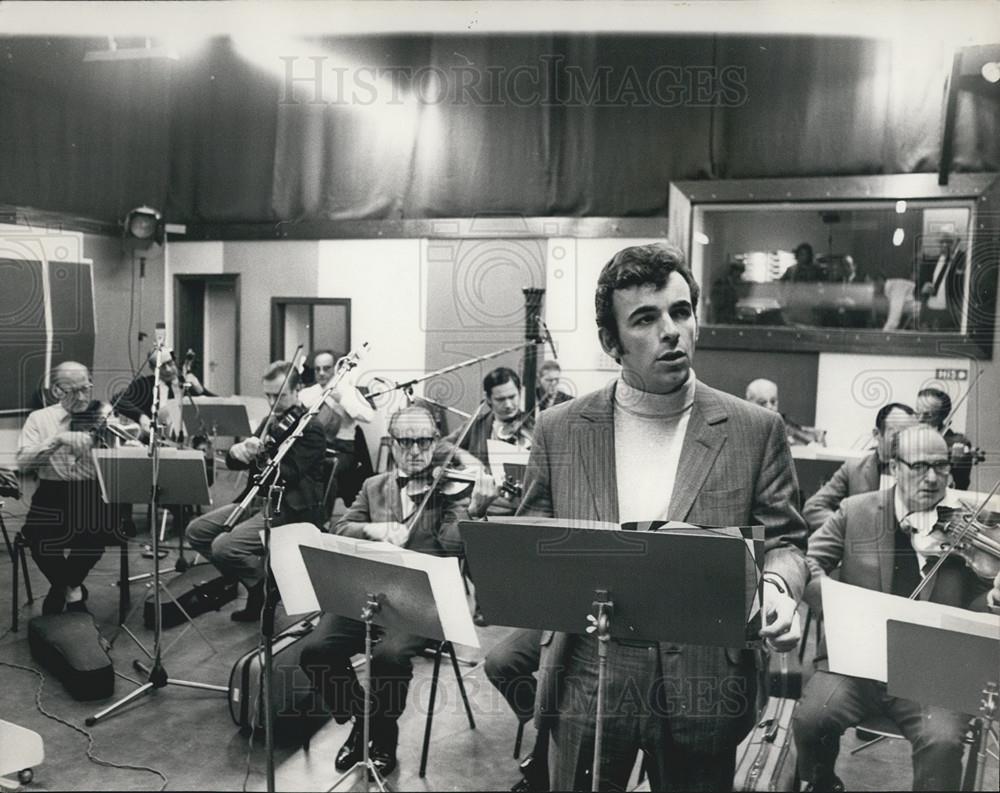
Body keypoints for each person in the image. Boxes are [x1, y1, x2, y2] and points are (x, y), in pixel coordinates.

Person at [518, 242, 808, 791]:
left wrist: (775, 585)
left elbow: (790, 542)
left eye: (680, 311)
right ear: (612, 342)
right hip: (589, 673)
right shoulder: (559, 429)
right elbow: (534, 541)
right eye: (645, 319)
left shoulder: (753, 429)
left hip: (705, 674)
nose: (671, 330)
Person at [793, 425, 992, 792]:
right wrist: (837, 602)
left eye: (942, 466)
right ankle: (823, 784)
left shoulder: (967, 527)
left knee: (943, 740)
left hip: (933, 673)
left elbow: (979, 600)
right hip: (855, 665)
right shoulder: (856, 512)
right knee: (812, 719)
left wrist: (991, 600)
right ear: (895, 467)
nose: (932, 478)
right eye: (919, 467)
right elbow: (808, 564)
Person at [298, 405, 493, 778]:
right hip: (368, 591)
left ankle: (383, 737)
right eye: (407, 442)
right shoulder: (374, 487)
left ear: (436, 442)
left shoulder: (450, 493)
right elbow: (340, 528)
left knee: (388, 656)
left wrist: (476, 512)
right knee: (315, 651)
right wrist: (374, 529)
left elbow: (454, 548)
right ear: (393, 444)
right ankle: (365, 719)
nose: (416, 451)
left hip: (423, 601)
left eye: (425, 441)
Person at [185, 361, 326, 621]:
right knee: (197, 532)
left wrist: (260, 456)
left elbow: (289, 474)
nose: (273, 402)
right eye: (268, 395)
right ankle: (258, 581)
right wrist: (236, 453)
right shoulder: (270, 420)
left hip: (287, 507)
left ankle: (261, 587)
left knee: (223, 548)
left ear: (298, 391)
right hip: (255, 501)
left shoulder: (311, 428)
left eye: (280, 396)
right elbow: (237, 461)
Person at [16, 362, 127, 614]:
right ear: (56, 391)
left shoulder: (103, 412)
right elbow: (23, 463)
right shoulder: (39, 419)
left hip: (89, 492)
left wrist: (117, 439)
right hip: (50, 493)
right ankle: (72, 589)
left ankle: (63, 587)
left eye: (86, 388)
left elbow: (120, 458)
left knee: (95, 536)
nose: (81, 397)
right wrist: (56, 440)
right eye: (73, 391)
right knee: (39, 541)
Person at [802, 402, 917, 533]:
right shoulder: (853, 470)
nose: (906, 443)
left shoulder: (923, 472)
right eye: (897, 437)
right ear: (876, 434)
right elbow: (814, 507)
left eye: (911, 437)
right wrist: (848, 528)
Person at [298, 349, 375, 509]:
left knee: (326, 470)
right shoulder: (308, 393)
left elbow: (369, 416)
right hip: (315, 447)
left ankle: (322, 516)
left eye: (326, 368)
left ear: (335, 368)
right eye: (317, 369)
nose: (321, 373)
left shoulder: (347, 390)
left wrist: (341, 399)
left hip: (342, 449)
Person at [113, 348, 210, 434]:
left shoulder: (187, 384)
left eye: (170, 363)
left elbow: (220, 406)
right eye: (162, 366)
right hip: (153, 441)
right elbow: (118, 400)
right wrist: (141, 416)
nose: (168, 369)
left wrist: (200, 389)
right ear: (153, 369)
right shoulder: (144, 384)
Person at [915, 387, 975, 490]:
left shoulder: (957, 442)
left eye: (928, 415)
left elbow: (961, 485)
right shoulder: (907, 436)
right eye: (917, 413)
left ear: (943, 416)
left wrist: (958, 465)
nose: (920, 419)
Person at [745, 378, 826, 447]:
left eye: (773, 401)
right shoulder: (741, 429)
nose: (769, 407)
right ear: (748, 403)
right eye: (762, 402)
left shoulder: (785, 426)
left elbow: (816, 443)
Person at [918, 231, 965, 331]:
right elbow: (919, 286)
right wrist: (923, 288)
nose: (944, 245)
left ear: (957, 242)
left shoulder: (962, 260)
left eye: (948, 241)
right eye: (941, 242)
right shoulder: (933, 261)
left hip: (950, 314)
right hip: (930, 310)